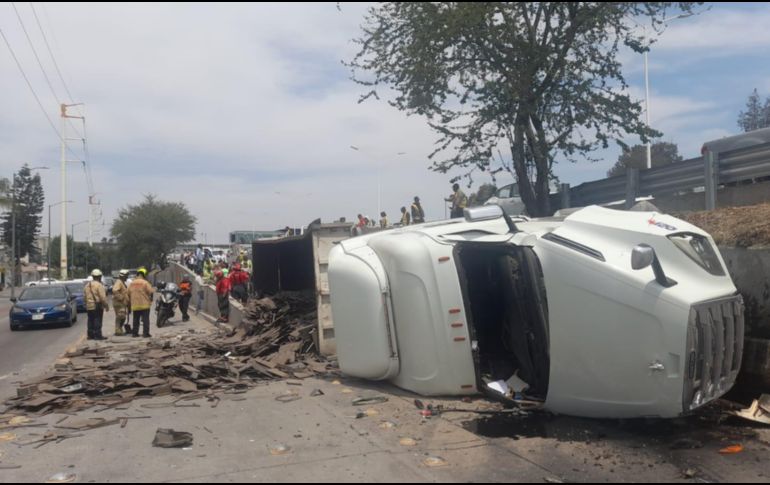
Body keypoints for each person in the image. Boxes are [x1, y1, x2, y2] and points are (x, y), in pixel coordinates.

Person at [84, 269, 110, 340]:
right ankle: (98, 335)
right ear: (99, 276)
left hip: (89, 306)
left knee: (90, 320)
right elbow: (103, 297)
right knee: (97, 320)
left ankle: (90, 335)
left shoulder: (87, 285)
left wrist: (86, 304)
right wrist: (106, 306)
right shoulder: (99, 285)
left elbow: (85, 297)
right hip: (97, 306)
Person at [129, 267, 155, 338]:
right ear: (144, 275)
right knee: (145, 320)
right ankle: (145, 334)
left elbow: (128, 292)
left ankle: (135, 333)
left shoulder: (132, 283)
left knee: (135, 319)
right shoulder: (145, 282)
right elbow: (151, 291)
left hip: (135, 305)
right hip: (144, 304)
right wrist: (150, 298)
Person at [112, 269, 131, 336]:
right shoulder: (119, 282)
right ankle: (118, 330)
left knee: (122, 317)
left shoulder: (122, 282)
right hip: (119, 303)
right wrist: (121, 298)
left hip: (122, 303)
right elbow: (115, 290)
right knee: (120, 317)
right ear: (123, 276)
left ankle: (119, 329)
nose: (127, 277)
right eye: (126, 276)